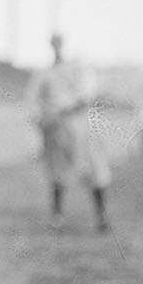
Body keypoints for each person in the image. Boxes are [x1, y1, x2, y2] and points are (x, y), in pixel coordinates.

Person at [27, 33, 111, 230]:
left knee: (94, 170)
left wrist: (68, 108)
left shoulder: (77, 68)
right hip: (56, 129)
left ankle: (101, 216)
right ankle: (57, 216)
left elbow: (86, 95)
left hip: (79, 126)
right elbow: (33, 103)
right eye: (53, 43)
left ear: (63, 44)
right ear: (50, 46)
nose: (56, 46)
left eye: (59, 43)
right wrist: (42, 120)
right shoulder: (44, 74)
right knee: (57, 172)